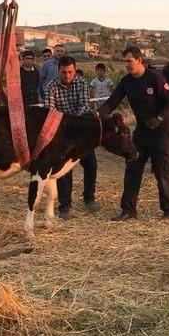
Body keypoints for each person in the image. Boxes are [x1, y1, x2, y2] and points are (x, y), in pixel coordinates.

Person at [97, 47, 169, 221]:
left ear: (139, 60)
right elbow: (112, 101)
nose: (126, 65)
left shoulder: (155, 78)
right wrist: (98, 114)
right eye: (124, 61)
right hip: (142, 131)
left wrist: (159, 118)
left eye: (129, 61)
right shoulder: (127, 81)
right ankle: (128, 210)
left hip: (161, 132)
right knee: (132, 168)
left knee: (162, 170)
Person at [46, 55, 98, 219]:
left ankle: (89, 198)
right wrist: (66, 125)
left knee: (91, 165)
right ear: (58, 71)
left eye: (70, 72)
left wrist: (70, 121)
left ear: (75, 70)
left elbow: (84, 106)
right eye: (63, 72)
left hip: (82, 132)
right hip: (62, 134)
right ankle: (65, 206)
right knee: (63, 171)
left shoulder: (82, 83)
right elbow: (50, 111)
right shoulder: (51, 86)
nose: (67, 75)